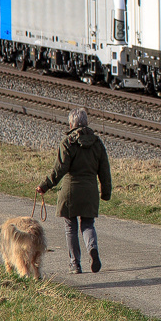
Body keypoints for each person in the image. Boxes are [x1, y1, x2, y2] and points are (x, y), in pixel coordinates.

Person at [37, 106, 112, 274]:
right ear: (86, 122)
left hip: (70, 190)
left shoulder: (67, 142)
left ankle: (75, 264)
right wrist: (106, 192)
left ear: (72, 124)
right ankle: (92, 248)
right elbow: (105, 171)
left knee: (70, 227)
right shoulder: (97, 143)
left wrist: (44, 185)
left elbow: (59, 169)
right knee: (87, 224)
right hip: (90, 190)